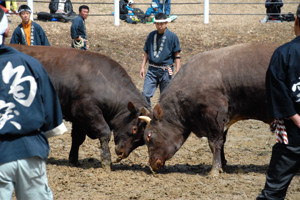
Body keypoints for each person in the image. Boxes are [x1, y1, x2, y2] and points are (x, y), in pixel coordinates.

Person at [0, 7, 67, 200]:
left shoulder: (36, 30)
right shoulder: (31, 64)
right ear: (6, 31)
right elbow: (52, 119)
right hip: (31, 150)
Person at [257, 4, 300, 200]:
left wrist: (296, 118)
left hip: (291, 135)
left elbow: (277, 89)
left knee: (274, 191)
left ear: (297, 21)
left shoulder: (284, 54)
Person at [140, 13, 181, 108]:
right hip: (152, 70)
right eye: (157, 24)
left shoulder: (172, 36)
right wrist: (142, 67)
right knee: (145, 94)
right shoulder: (151, 35)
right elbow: (146, 52)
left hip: (166, 71)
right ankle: (148, 115)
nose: (159, 26)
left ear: (166, 23)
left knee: (165, 97)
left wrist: (178, 69)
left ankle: (162, 119)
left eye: (162, 23)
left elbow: (177, 54)